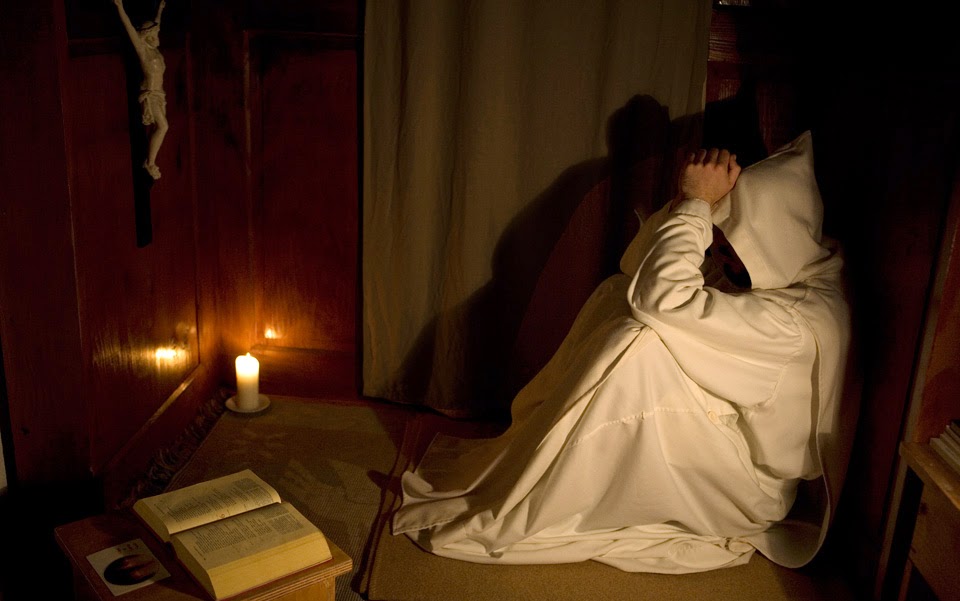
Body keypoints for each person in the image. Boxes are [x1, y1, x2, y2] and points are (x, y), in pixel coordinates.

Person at [391, 131, 853, 573]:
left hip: (747, 490)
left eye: (731, 246)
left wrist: (697, 204)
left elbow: (660, 298)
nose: (722, 258)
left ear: (772, 238)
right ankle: (543, 464)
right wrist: (689, 206)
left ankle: (554, 486)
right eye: (721, 243)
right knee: (619, 296)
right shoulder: (792, 261)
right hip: (733, 434)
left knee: (640, 347)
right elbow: (635, 271)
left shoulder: (791, 326)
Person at [114, 0, 168, 180]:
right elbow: (129, 28)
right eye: (154, 33)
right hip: (150, 95)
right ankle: (150, 163)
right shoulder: (143, 50)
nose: (157, 34)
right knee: (163, 126)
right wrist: (120, 7)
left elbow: (157, 24)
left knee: (158, 128)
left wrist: (159, 10)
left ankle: (150, 160)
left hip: (159, 94)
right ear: (148, 36)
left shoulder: (155, 50)